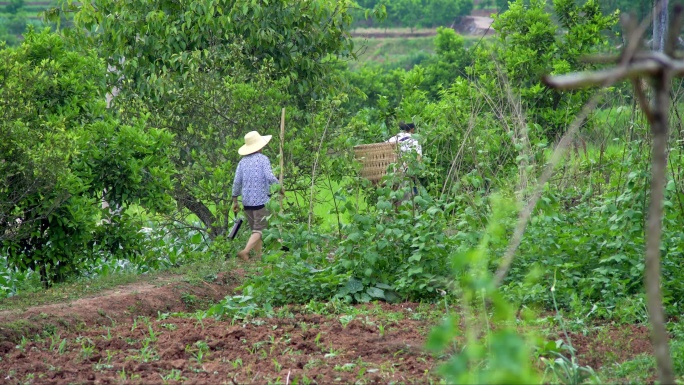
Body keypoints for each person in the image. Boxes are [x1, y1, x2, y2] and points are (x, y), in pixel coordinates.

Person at [231, 130, 280, 261]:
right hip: (261, 201)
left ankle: (259, 259)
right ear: (259, 146)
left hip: (246, 202)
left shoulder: (242, 162)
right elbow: (270, 176)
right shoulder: (263, 159)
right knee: (260, 230)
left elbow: (236, 182)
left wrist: (235, 200)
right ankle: (245, 251)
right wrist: (279, 186)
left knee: (256, 231)